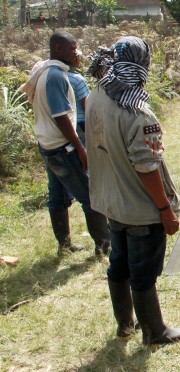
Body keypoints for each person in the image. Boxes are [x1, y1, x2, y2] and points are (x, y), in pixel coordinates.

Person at [85, 36, 180, 344]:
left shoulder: (95, 96)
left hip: (112, 203)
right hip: (141, 211)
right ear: (142, 64)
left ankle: (125, 324)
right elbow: (147, 167)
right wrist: (164, 210)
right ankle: (154, 332)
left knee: (118, 264)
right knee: (143, 271)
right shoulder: (138, 113)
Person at [19, 31, 110, 258]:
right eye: (72, 48)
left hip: (48, 144)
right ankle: (104, 245)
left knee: (57, 195)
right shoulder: (56, 76)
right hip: (62, 147)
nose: (76, 52)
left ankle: (64, 244)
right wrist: (80, 148)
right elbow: (61, 116)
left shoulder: (44, 71)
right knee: (90, 194)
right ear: (58, 49)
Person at [67, 50, 89, 145]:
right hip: (81, 123)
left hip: (68, 123)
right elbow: (86, 105)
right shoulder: (78, 79)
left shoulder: (60, 76)